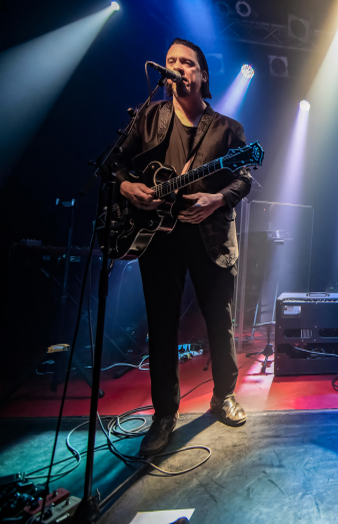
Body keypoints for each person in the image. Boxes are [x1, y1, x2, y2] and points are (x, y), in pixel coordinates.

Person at [117, 38, 252, 455]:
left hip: (211, 236)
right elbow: (116, 164)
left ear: (202, 74)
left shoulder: (227, 128)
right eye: (171, 61)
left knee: (219, 321)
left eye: (187, 63)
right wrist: (127, 187)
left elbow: (244, 178)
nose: (177, 67)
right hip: (159, 235)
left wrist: (217, 198)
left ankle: (223, 396)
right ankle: (164, 414)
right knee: (162, 326)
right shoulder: (148, 117)